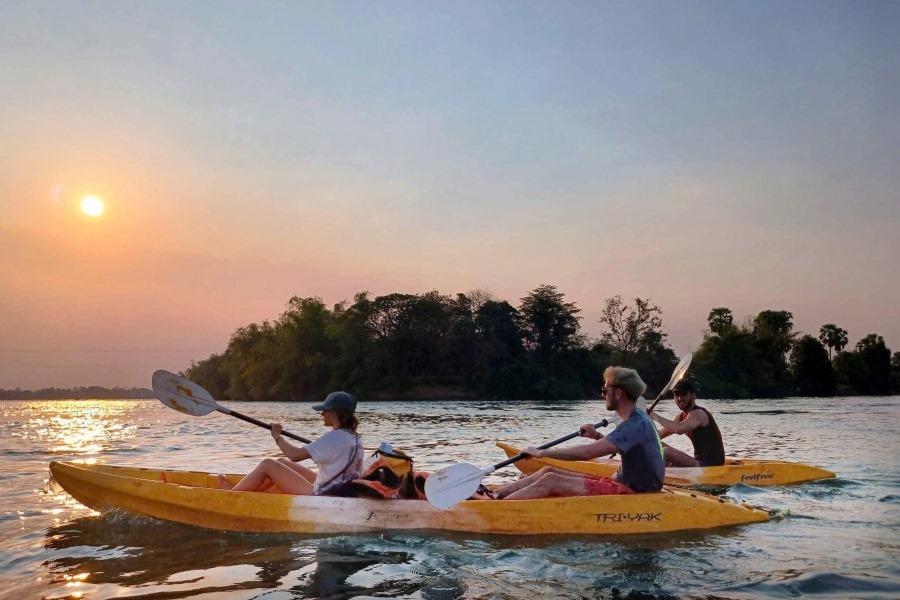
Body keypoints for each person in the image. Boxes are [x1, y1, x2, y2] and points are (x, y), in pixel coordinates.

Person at [493, 366, 665, 500]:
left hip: (631, 492)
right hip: (621, 483)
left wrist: (541, 453)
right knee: (547, 471)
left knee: (551, 481)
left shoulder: (634, 425)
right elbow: (622, 447)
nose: (603, 395)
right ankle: (494, 496)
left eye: (605, 390)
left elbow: (587, 452)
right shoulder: (639, 418)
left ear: (619, 393)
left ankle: (493, 509)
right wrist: (596, 436)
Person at [220, 391, 363, 495]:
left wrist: (277, 436)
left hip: (323, 493)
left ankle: (231, 495)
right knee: (281, 462)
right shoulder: (354, 437)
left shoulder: (334, 437)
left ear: (335, 412)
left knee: (267, 464)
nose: (322, 414)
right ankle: (251, 492)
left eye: (325, 410)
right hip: (338, 487)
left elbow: (295, 456)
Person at [649, 379, 725, 467]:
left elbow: (679, 429)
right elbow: (658, 435)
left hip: (711, 465)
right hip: (698, 462)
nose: (680, 398)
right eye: (677, 395)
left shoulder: (699, 413)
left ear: (693, 395)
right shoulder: (681, 416)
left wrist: (654, 416)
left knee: (666, 452)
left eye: (684, 394)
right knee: (655, 443)